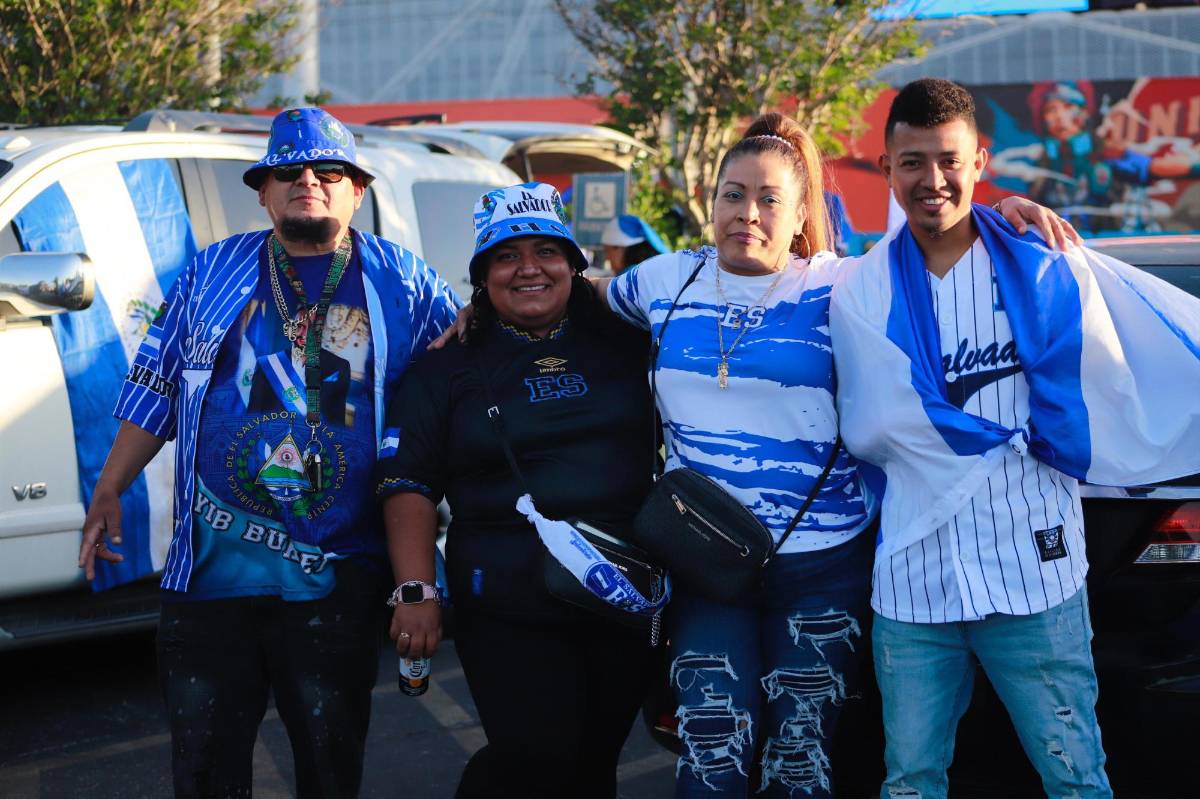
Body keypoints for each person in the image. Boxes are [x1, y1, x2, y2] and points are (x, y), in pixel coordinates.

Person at [831, 78, 1200, 799]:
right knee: (909, 780)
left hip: (1033, 570)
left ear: (980, 159)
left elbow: (1126, 367)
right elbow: (865, 426)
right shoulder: (859, 292)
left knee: (1074, 776)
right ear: (887, 169)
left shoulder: (1042, 264)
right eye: (912, 162)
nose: (931, 179)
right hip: (915, 580)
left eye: (948, 159)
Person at [77, 107, 460, 797]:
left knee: (329, 767)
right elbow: (157, 383)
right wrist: (109, 488)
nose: (307, 181)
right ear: (262, 191)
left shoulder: (404, 281)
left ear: (357, 189)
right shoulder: (211, 271)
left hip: (337, 575)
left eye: (327, 171)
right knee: (202, 769)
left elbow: (463, 364)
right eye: (288, 170)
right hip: (209, 580)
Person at [375, 181, 657, 798]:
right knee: (532, 758)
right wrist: (416, 589)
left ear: (574, 264)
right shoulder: (446, 366)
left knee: (593, 764)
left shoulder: (632, 341)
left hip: (623, 595)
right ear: (483, 275)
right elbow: (407, 480)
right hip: (506, 604)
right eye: (505, 256)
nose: (528, 268)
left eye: (545, 251)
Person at [600, 213, 670, 274]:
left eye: (607, 251)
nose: (607, 258)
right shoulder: (651, 271)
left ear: (621, 248)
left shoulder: (629, 278)